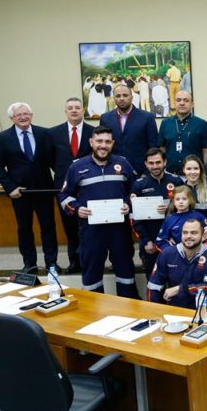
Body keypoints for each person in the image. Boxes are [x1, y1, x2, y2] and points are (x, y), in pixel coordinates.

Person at [58, 126, 139, 298]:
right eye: (99, 141)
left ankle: (130, 310)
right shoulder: (77, 167)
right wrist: (77, 209)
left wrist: (128, 205)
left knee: (125, 271)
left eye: (107, 142)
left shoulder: (123, 163)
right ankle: (94, 311)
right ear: (91, 142)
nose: (103, 145)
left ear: (112, 144)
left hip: (119, 229)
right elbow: (64, 195)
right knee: (92, 273)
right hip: (91, 230)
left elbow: (135, 191)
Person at [0, 102, 58, 272]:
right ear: (12, 118)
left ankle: (51, 263)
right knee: (24, 228)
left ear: (31, 115)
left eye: (26, 113)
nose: (23, 117)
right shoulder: (3, 138)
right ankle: (30, 264)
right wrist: (9, 188)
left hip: (44, 190)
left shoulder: (45, 133)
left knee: (48, 227)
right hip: (20, 192)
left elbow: (53, 160)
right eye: (18, 115)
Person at [47, 97, 94, 274]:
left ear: (83, 110)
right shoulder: (53, 133)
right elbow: (51, 159)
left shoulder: (93, 131)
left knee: (87, 225)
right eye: (70, 108)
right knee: (69, 225)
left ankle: (88, 260)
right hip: (63, 187)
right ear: (65, 111)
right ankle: (74, 261)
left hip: (88, 185)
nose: (74, 110)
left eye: (77, 107)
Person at [146, 218, 207, 310]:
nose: (188, 236)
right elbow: (153, 286)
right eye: (185, 233)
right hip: (175, 313)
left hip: (203, 313)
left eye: (194, 233)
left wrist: (181, 289)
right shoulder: (167, 254)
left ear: (203, 235)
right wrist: (153, 312)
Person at [130, 148, 184, 276]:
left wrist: (170, 207)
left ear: (165, 162)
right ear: (146, 164)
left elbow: (187, 209)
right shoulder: (139, 186)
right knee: (153, 281)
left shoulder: (176, 182)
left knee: (175, 280)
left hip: (175, 240)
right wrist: (145, 240)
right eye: (151, 163)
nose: (155, 166)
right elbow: (134, 218)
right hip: (151, 243)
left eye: (158, 162)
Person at [99, 83, 159, 174]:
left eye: (125, 95)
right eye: (118, 96)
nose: (122, 98)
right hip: (112, 170)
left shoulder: (147, 117)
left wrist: (147, 173)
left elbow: (154, 147)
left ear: (132, 97)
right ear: (114, 98)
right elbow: (102, 146)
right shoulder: (105, 118)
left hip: (140, 171)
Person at [157, 90, 207, 173]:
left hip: (194, 174)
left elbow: (206, 151)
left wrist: (206, 173)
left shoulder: (201, 124)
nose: (182, 103)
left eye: (186, 100)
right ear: (174, 103)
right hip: (170, 173)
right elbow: (162, 148)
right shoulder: (165, 123)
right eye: (178, 100)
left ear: (192, 104)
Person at [154, 185, 207, 252]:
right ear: (173, 201)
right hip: (175, 256)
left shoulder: (199, 217)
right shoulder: (169, 219)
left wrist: (199, 247)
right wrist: (170, 250)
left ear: (190, 200)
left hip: (197, 254)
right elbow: (160, 240)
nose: (181, 202)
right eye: (177, 199)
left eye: (184, 199)